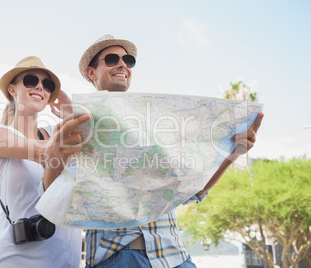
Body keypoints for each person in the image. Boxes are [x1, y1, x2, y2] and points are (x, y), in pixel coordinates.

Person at [78, 35, 264, 268]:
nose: (123, 64)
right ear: (91, 73)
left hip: (175, 257)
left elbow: (193, 190)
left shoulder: (158, 126)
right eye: (112, 59)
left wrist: (233, 154)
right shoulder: (77, 128)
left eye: (128, 60)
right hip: (119, 258)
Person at [0, 56, 89, 267]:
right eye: (31, 80)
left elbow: (98, 158)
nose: (40, 86)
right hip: (14, 259)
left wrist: (70, 114)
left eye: (47, 85)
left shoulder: (54, 134)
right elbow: (44, 153)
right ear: (12, 90)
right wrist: (73, 128)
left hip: (65, 258)